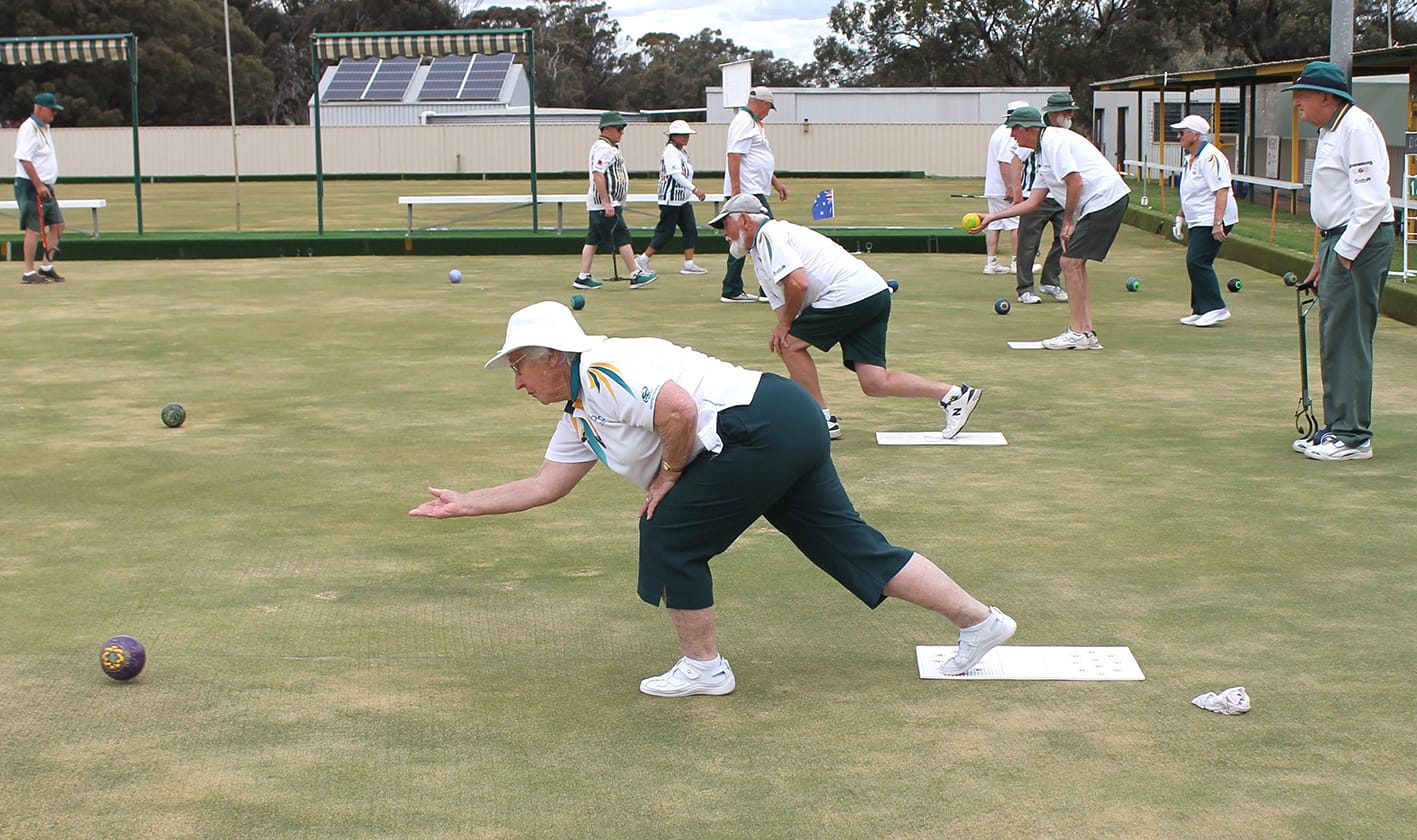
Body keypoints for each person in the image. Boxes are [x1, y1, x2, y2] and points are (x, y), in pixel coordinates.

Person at [409, 300, 1016, 696]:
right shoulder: (579, 407)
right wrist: (466, 503)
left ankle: (705, 669)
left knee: (669, 530)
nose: (516, 381)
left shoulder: (601, 370)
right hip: (785, 420)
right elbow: (545, 486)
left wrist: (670, 473)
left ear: (552, 358)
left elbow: (678, 409)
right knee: (848, 542)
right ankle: (981, 623)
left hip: (761, 426)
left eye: (518, 366)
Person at [709, 193, 981, 441]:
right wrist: (785, 327)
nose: (723, 233)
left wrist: (785, 330)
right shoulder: (759, 255)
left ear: (744, 219)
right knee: (874, 383)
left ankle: (821, 419)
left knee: (789, 345)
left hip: (849, 294)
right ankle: (954, 395)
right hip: (872, 294)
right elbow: (785, 308)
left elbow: (798, 284)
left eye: (725, 225)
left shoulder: (770, 235)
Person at [1285, 61, 1394, 461]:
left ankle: (1352, 436)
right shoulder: (1330, 130)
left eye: (1303, 94)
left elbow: (1371, 202)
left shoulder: (1356, 128)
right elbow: (1337, 203)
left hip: (1360, 243)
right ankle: (1338, 427)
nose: (1297, 102)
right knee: (1334, 333)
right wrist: (1325, 253)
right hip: (1341, 240)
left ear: (1327, 98)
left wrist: (1344, 253)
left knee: (1348, 336)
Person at [975, 106, 1131, 350]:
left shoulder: (1052, 142)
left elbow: (1074, 181)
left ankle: (1078, 332)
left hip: (1105, 199)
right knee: (1074, 263)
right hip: (1103, 201)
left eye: (1014, 130)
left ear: (1028, 129)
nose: (1012, 136)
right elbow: (1033, 202)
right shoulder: (1042, 154)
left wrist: (1067, 222)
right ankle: (1085, 331)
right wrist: (993, 217)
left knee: (1069, 263)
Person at [574, 111, 656, 291]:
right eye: (619, 128)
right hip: (605, 203)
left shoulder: (607, 147)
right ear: (607, 129)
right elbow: (598, 174)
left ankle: (583, 277)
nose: (622, 132)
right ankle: (635, 274)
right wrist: (607, 202)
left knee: (592, 239)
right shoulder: (604, 148)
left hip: (602, 203)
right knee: (622, 236)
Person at [720, 86, 787, 303]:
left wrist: (775, 182)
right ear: (762, 103)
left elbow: (758, 157)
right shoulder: (744, 122)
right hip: (748, 192)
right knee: (762, 236)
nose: (768, 112)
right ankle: (754, 289)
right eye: (769, 107)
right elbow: (734, 155)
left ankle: (737, 288)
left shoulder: (756, 123)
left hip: (755, 188)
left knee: (749, 237)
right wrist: (736, 192)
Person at [1172, 114, 1238, 327]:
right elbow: (1192, 192)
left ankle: (1215, 308)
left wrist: (1217, 222)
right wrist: (1180, 215)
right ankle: (1200, 309)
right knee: (1196, 261)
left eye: (1183, 132)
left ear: (1196, 135)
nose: (1179, 136)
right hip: (1198, 219)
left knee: (1198, 261)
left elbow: (1221, 190)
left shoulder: (1211, 157)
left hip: (1212, 218)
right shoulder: (1190, 158)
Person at [1013, 93, 1074, 305]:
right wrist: (1017, 192)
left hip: (1060, 197)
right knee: (1028, 243)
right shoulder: (1032, 133)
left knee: (1066, 238)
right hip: (1033, 195)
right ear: (1054, 114)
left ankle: (1050, 280)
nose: (1070, 116)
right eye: (1067, 112)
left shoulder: (1066, 135)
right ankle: (1025, 288)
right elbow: (1015, 161)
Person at [635, 119, 709, 277]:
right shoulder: (670, 151)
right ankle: (643, 259)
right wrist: (694, 189)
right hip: (670, 199)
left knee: (690, 229)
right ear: (673, 136)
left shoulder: (681, 151)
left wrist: (689, 191)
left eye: (687, 135)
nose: (685, 137)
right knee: (666, 232)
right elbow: (675, 174)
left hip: (681, 199)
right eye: (681, 135)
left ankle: (688, 264)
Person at [14, 92, 66, 285]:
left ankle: (46, 266)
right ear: (40, 108)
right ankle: (28, 273)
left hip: (45, 186)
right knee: (34, 229)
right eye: (51, 110)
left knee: (58, 225)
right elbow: (24, 159)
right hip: (31, 186)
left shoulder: (45, 127)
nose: (54, 113)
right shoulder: (29, 128)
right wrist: (37, 184)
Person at [981, 100, 1026, 275]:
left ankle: (991, 263)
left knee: (994, 223)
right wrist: (1011, 188)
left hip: (993, 186)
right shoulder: (1010, 133)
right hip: (1002, 187)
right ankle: (1017, 262)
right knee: (1017, 223)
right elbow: (1005, 162)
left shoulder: (999, 131)